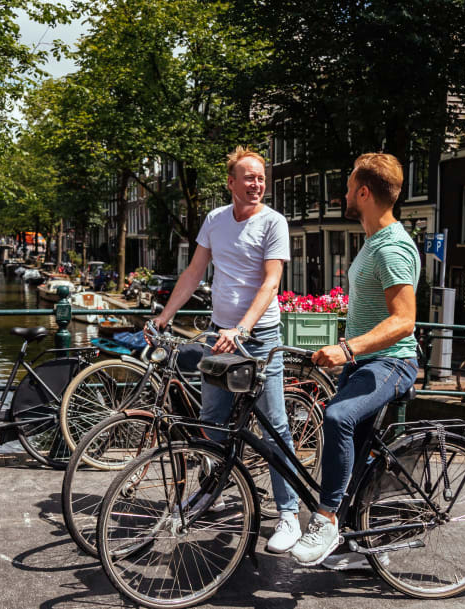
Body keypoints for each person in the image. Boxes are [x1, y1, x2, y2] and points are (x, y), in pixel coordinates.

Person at [148, 145, 303, 553]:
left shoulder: (274, 222)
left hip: (260, 337)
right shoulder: (215, 220)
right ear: (231, 182)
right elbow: (194, 271)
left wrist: (242, 328)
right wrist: (164, 317)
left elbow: (271, 283)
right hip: (221, 334)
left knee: (275, 424)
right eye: (248, 177)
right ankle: (209, 493)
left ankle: (288, 515)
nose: (256, 184)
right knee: (212, 420)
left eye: (260, 178)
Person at [288, 153, 420, 568]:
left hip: (391, 363)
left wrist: (346, 349)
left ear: (364, 192)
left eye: (348, 187)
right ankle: (354, 540)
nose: (343, 194)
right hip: (364, 363)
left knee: (337, 417)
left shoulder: (393, 247)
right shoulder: (373, 244)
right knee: (352, 448)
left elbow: (404, 321)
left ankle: (326, 521)